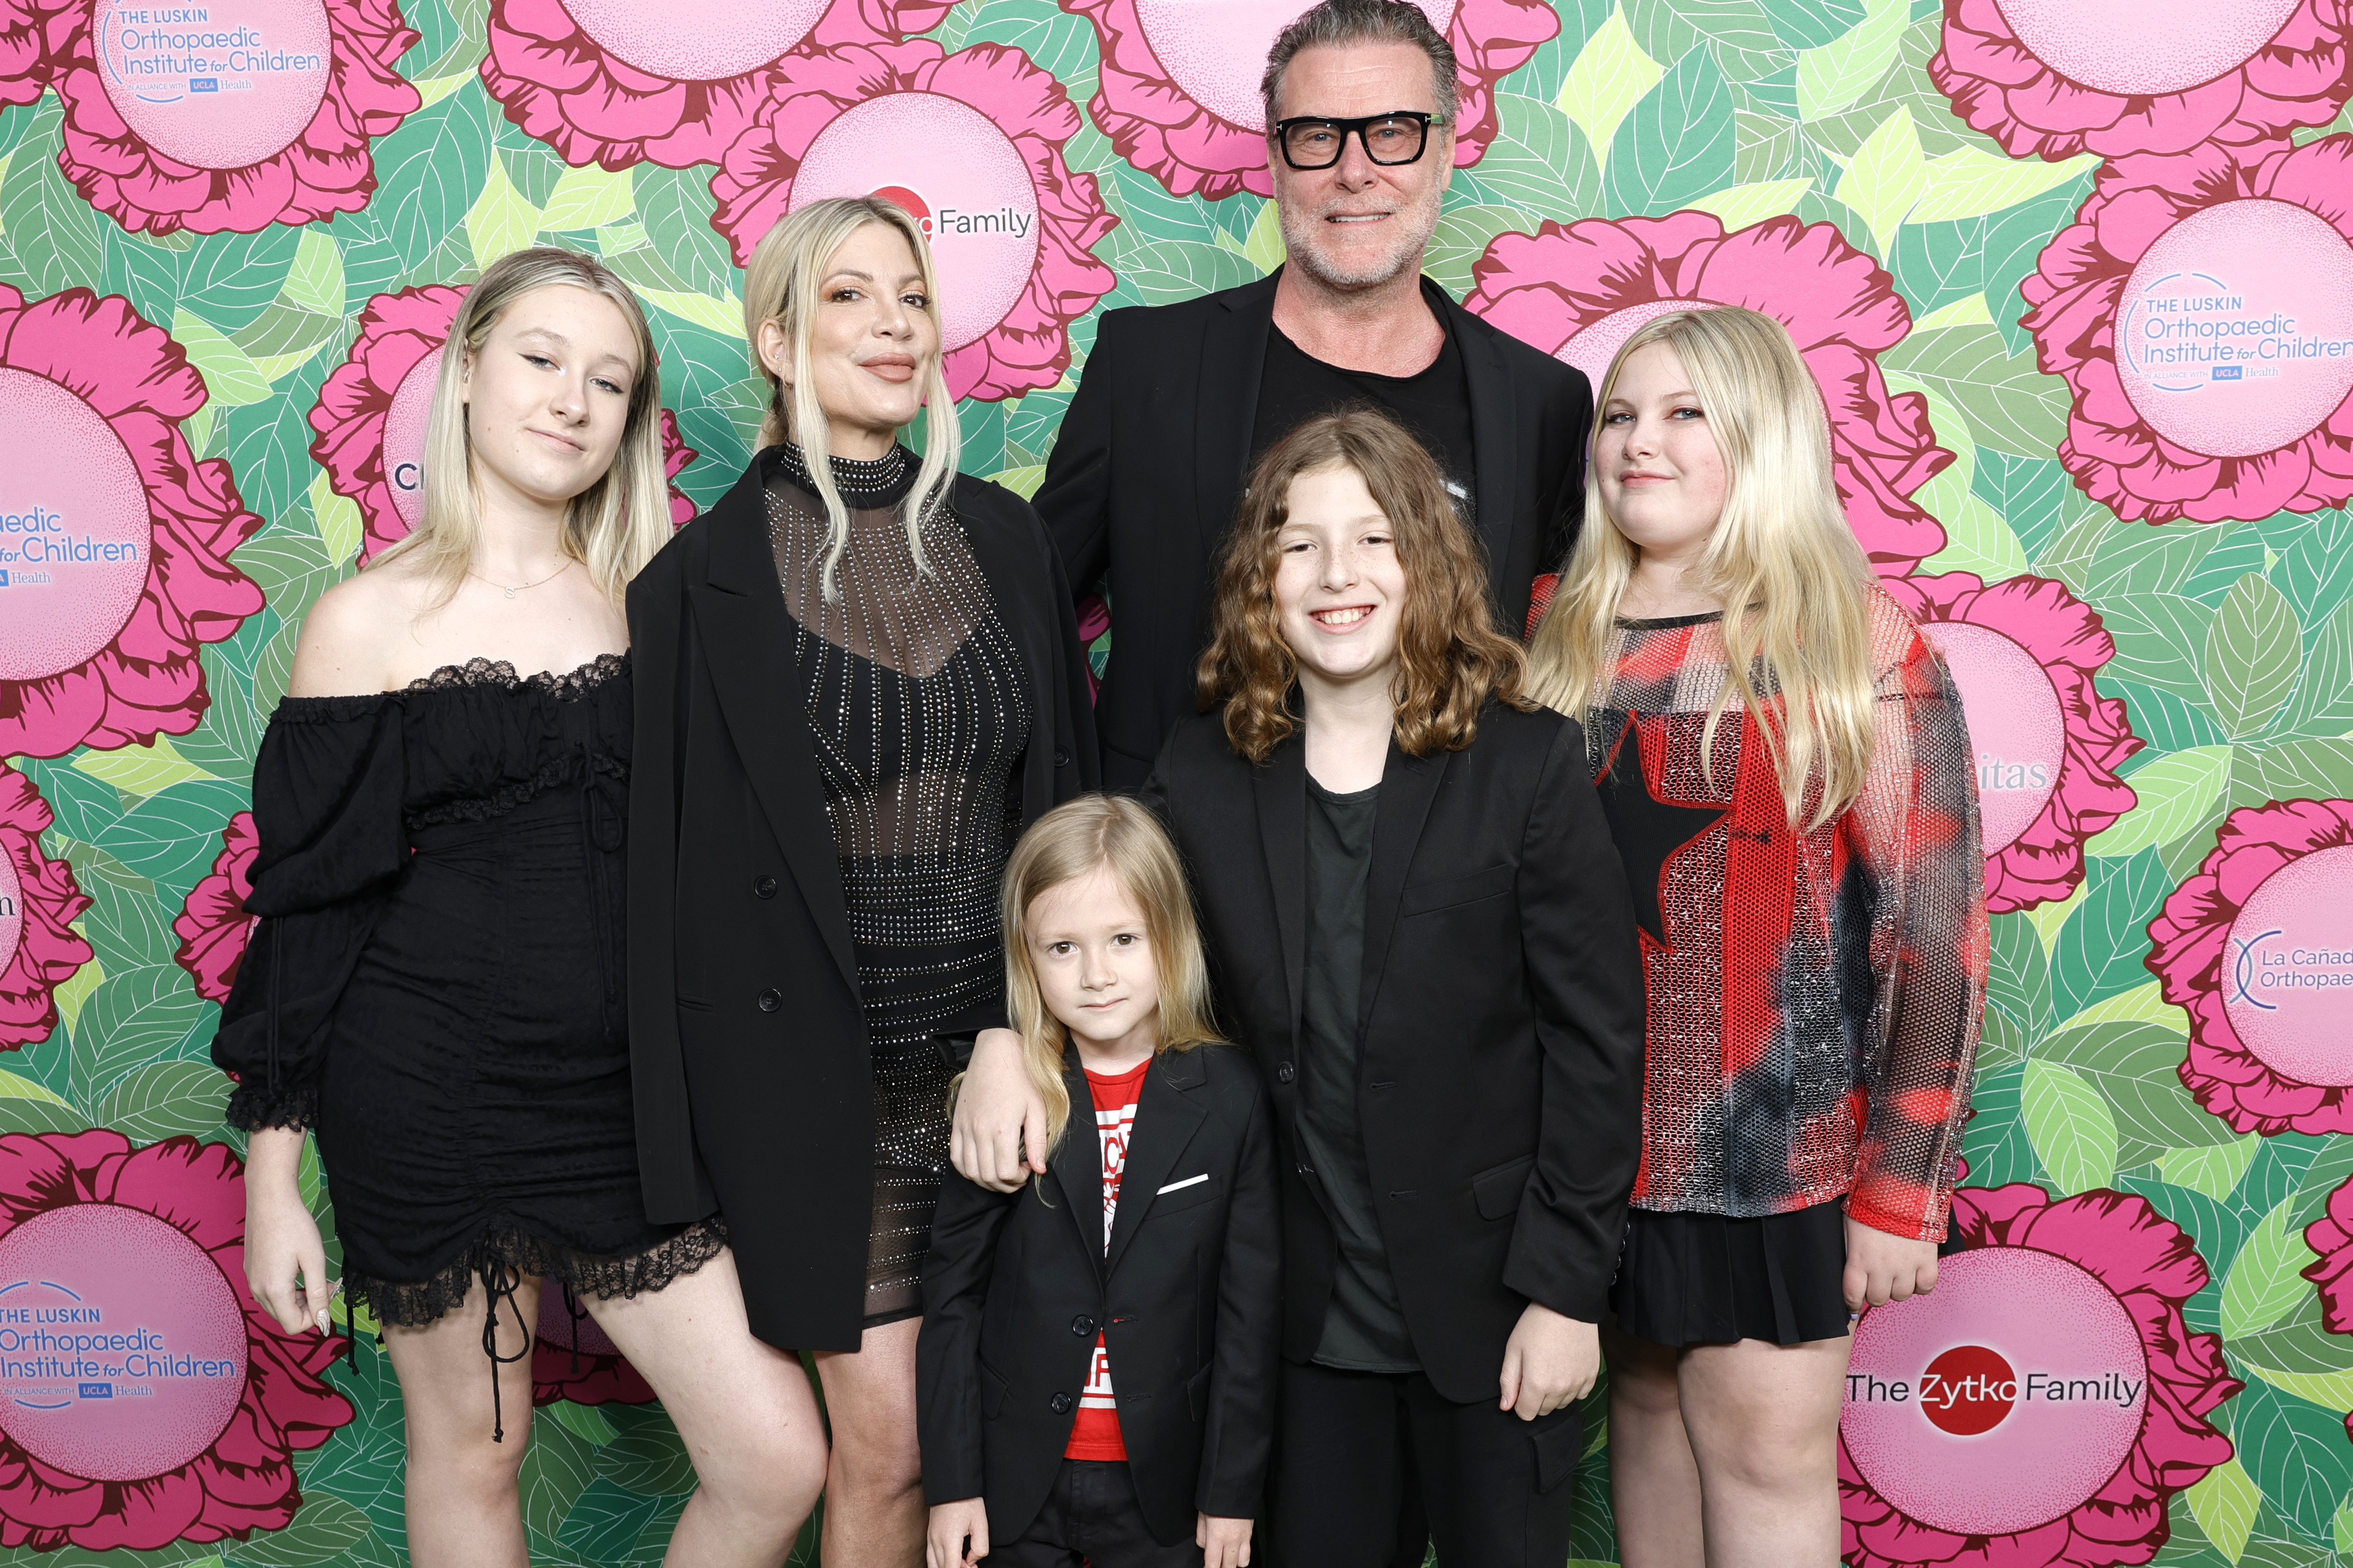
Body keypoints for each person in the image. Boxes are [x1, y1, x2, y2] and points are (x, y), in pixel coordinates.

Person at [216, 248, 817, 1567]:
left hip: (627, 1103)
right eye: (543, 359)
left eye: (610, 381)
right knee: (477, 1458)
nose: (572, 400)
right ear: (471, 370)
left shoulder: (661, 609)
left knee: (776, 1459)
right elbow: (307, 912)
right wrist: (274, 1185)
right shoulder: (368, 621)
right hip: (427, 1098)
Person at [963, 406, 1646, 1564]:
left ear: (1426, 561)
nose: (1338, 575)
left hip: (1496, 1309)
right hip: (1298, 1324)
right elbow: (1095, 925)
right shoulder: (1200, 774)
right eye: (1300, 545)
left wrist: (1568, 1293)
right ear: (1259, 580)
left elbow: (1598, 1045)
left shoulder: (1524, 768)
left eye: (1374, 539)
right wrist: (999, 1035)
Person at [626, 196, 1100, 1566]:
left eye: (911, 295)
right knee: (890, 1456)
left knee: (1030, 1435)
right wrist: (672, 1173)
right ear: (777, 336)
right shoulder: (693, 590)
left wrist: (1020, 1031)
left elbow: (1057, 813)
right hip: (825, 1105)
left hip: (1013, 1068)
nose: (894, 324)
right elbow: (664, 896)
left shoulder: (1008, 539)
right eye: (849, 297)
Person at [1523, 306, 1987, 1567]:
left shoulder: (1851, 644)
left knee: (1766, 1457)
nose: (1639, 443)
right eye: (1620, 415)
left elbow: (1933, 938)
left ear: (1764, 439)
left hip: (1770, 1155)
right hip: (1578, 1155)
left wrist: (1901, 1188)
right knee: (1644, 1416)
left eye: (1685, 415)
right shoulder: (1542, 632)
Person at [1036, 0, 1592, 789]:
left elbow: (1578, 652)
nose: (1354, 169)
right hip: (1175, 866)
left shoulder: (1543, 402)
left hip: (1444, 884)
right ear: (1275, 157)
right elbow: (1028, 603)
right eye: (1318, 135)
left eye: (1393, 131)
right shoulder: (1147, 366)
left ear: (1445, 151)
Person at [918, 795, 1279, 1568]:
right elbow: (953, 1302)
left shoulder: (1230, 1097)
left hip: (1168, 1488)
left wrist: (1230, 1494)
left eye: (1123, 939)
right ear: (1026, 956)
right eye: (1062, 948)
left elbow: (1249, 1319)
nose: (1097, 975)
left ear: (1170, 939)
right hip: (1015, 1481)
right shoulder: (1007, 1095)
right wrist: (953, 1485)